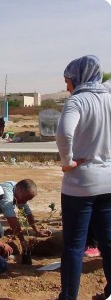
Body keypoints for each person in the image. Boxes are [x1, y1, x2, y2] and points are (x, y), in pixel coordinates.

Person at [56, 55, 111, 300]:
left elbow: (64, 133)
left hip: (80, 185)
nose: (68, 87)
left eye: (68, 81)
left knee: (74, 247)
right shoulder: (109, 99)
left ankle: (68, 297)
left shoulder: (77, 101)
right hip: (109, 182)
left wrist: (68, 163)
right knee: (108, 243)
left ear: (78, 78)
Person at [0, 180, 52, 250]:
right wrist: (22, 240)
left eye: (27, 200)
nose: (25, 201)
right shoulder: (7, 194)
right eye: (25, 198)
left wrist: (37, 231)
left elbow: (27, 212)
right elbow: (11, 219)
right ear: (18, 189)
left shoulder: (19, 190)